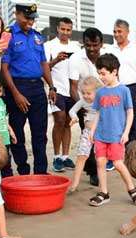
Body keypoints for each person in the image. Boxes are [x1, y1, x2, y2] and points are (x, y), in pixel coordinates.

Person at [1, 3, 57, 175]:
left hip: (37, 88)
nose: (31, 22)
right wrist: (16, 94)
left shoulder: (37, 37)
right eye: (27, 18)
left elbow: (43, 63)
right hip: (17, 87)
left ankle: (40, 171)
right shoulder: (8, 35)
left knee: (40, 133)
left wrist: (52, 86)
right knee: (17, 133)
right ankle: (23, 170)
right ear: (16, 14)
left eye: (33, 18)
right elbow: (4, 68)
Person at [88, 54, 136, 207]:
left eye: (103, 73)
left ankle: (132, 189)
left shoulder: (124, 90)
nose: (101, 77)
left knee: (118, 164)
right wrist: (92, 131)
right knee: (100, 162)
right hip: (101, 135)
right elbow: (97, 113)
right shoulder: (100, 92)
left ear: (114, 72)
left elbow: (130, 112)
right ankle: (103, 192)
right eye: (99, 73)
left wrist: (126, 132)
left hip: (116, 135)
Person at [68, 27, 105, 186]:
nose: (91, 49)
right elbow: (73, 86)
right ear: (83, 43)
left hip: (104, 107)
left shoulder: (106, 59)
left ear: (101, 44)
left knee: (102, 141)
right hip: (86, 106)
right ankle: (92, 172)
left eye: (95, 45)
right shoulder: (75, 59)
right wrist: (83, 107)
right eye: (88, 45)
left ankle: (103, 166)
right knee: (87, 139)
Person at [44, 17, 80, 172]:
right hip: (56, 89)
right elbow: (44, 68)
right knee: (59, 120)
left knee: (67, 122)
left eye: (68, 29)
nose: (65, 32)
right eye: (63, 29)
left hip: (73, 90)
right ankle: (56, 157)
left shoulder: (76, 47)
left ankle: (65, 156)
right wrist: (56, 60)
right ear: (57, 29)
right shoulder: (49, 46)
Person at [109, 19, 136, 142]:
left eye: (119, 31)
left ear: (127, 32)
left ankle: (131, 155)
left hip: (131, 89)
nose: (116, 34)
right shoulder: (109, 49)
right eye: (114, 31)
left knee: (132, 122)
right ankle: (116, 154)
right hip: (113, 89)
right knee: (115, 121)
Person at [68, 76, 103, 192]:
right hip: (87, 133)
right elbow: (72, 110)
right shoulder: (83, 101)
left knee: (100, 159)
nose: (85, 96)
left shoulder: (102, 101)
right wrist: (74, 118)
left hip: (101, 133)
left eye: (89, 93)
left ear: (97, 92)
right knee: (81, 156)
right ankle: (75, 183)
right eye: (83, 93)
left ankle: (103, 186)